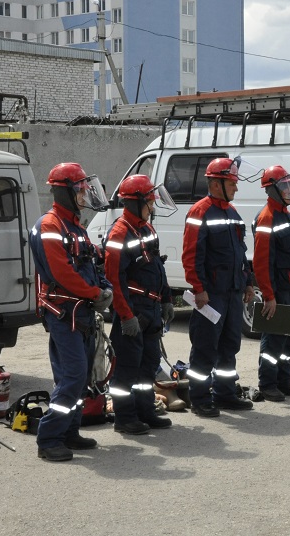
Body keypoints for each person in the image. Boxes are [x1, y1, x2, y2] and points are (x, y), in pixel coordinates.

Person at [29, 163, 112, 462]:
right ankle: (49, 437)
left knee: (81, 375)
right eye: (79, 189)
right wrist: (95, 293)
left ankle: (69, 432)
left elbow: (91, 265)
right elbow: (61, 272)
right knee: (73, 375)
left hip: (82, 313)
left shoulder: (75, 227)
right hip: (65, 313)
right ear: (63, 190)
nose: (83, 194)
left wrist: (104, 287)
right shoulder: (50, 226)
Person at [182, 157, 256, 416]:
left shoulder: (232, 213)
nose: (236, 188)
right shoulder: (199, 211)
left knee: (230, 345)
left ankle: (225, 394)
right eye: (232, 183)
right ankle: (200, 398)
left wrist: (247, 283)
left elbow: (241, 252)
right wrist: (198, 288)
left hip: (233, 292)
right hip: (211, 295)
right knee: (204, 346)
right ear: (216, 183)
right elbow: (191, 255)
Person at [103, 174, 176, 436]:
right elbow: (114, 279)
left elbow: (158, 267)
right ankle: (125, 417)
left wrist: (167, 299)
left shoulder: (146, 229)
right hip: (133, 310)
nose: (153, 206)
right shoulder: (119, 232)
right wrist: (125, 315)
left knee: (148, 365)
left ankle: (145, 411)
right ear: (136, 202)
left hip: (151, 309)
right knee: (126, 369)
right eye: (150, 201)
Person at [253, 165, 290, 400]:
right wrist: (269, 295)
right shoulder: (266, 218)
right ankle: (267, 383)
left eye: (289, 184)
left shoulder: (286, 214)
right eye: (284, 185)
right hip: (278, 291)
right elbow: (261, 261)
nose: (289, 189)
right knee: (274, 338)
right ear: (272, 189)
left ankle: (283, 380)